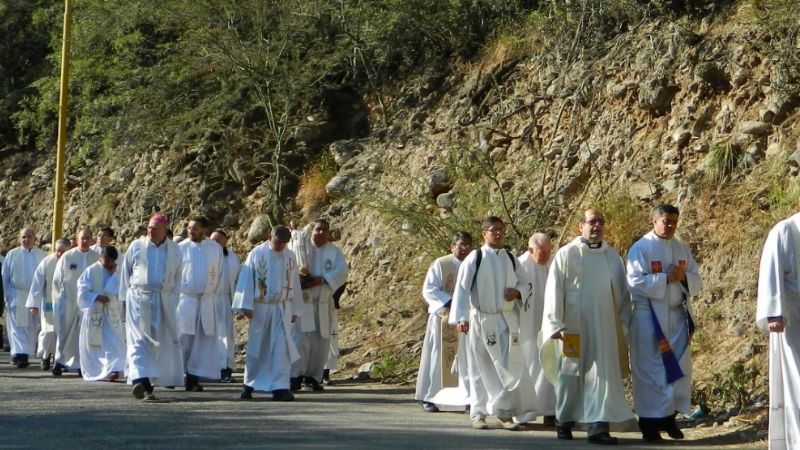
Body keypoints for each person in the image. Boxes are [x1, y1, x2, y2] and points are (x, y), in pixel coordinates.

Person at [540, 208, 635, 445]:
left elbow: (622, 295)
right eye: (592, 222)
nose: (597, 226)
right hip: (572, 328)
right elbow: (553, 290)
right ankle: (564, 419)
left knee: (601, 376)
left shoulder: (611, 256)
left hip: (604, 329)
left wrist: (623, 327)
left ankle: (598, 426)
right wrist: (555, 323)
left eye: (601, 222)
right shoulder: (566, 254)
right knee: (570, 375)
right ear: (580, 226)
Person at [627, 204, 702, 442]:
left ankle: (669, 419)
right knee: (650, 371)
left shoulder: (681, 248)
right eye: (666, 221)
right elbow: (633, 280)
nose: (670, 226)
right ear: (654, 221)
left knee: (676, 367)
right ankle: (649, 425)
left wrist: (684, 278)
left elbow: (696, 279)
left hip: (676, 316)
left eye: (673, 222)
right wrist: (664, 278)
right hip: (648, 316)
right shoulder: (641, 248)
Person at [450, 216, 529, 431]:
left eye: (501, 229)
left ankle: (504, 413)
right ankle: (478, 413)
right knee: (479, 366)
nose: (498, 233)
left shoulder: (510, 258)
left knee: (505, 365)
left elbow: (525, 281)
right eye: (493, 230)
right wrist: (461, 317)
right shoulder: (475, 258)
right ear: (484, 234)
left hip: (504, 318)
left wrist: (517, 292)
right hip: (480, 319)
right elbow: (462, 289)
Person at [234, 225, 302, 401]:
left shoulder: (290, 256)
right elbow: (247, 279)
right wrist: (245, 305)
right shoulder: (257, 253)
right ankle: (249, 384)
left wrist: (295, 309)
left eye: (284, 243)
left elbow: (295, 283)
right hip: (261, 307)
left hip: (282, 308)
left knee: (281, 348)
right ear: (269, 237)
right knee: (258, 346)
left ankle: (280, 387)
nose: (281, 246)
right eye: (278, 242)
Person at [120, 214, 184, 401]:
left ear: (165, 229)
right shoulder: (136, 246)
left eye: (155, 228)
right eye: (149, 227)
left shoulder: (174, 250)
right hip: (139, 299)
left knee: (157, 343)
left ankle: (147, 379)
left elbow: (177, 279)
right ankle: (142, 383)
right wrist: (124, 301)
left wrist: (173, 301)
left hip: (162, 300)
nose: (151, 231)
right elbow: (126, 274)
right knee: (138, 341)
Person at [415, 231, 473, 412]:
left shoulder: (474, 265)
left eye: (468, 246)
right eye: (460, 245)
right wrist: (452, 303)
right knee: (438, 358)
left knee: (466, 359)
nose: (464, 249)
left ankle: (466, 397)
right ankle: (430, 396)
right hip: (444, 318)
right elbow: (429, 289)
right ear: (452, 246)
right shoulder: (441, 264)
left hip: (466, 320)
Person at [757, 211, 800, 449]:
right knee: (797, 376)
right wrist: (774, 312)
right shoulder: (786, 230)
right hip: (793, 314)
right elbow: (771, 270)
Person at [290, 219, 348, 392]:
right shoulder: (301, 248)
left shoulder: (334, 251)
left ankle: (313, 377)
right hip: (304, 301)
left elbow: (342, 272)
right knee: (300, 340)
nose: (321, 232)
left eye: (325, 229)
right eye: (318, 229)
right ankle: (295, 375)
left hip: (323, 302)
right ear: (312, 231)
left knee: (320, 341)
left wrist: (322, 280)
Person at [176, 217, 225, 392]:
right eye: (189, 228)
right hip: (186, 299)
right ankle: (175, 373)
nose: (191, 231)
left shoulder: (215, 249)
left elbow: (219, 274)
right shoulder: (180, 249)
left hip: (205, 300)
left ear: (204, 230)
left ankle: (193, 378)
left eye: (195, 228)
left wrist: (212, 295)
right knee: (183, 339)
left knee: (201, 341)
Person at [516, 232, 557, 426]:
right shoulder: (520, 266)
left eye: (549, 252)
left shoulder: (552, 263)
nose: (547, 256)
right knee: (529, 364)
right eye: (543, 252)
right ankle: (525, 413)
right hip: (527, 326)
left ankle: (550, 410)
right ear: (531, 250)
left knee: (551, 365)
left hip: (548, 324)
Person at [52, 229, 99, 376]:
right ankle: (60, 361)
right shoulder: (68, 257)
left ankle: (81, 364)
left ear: (91, 240)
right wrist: (59, 300)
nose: (84, 241)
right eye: (82, 238)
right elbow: (57, 280)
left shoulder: (97, 257)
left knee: (83, 334)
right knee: (64, 332)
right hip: (69, 301)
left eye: (87, 238)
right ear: (76, 240)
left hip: (88, 303)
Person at [77, 246, 126, 381]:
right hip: (95, 312)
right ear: (101, 257)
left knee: (114, 342)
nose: (109, 264)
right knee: (96, 345)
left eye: (112, 261)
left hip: (111, 315)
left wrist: (114, 275)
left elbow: (121, 290)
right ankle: (99, 370)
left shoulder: (117, 272)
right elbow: (82, 291)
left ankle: (114, 369)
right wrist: (97, 297)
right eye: (107, 260)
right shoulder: (91, 271)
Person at [2, 228, 47, 368]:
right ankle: (20, 355)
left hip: (35, 294)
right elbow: (5, 276)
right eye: (23, 237)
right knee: (17, 327)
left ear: (35, 238)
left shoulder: (42, 255)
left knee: (32, 326)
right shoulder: (12, 254)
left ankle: (25, 352)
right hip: (17, 294)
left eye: (28, 237)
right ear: (19, 239)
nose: (26, 239)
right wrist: (6, 295)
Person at [27, 238, 72, 370]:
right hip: (49, 302)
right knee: (48, 331)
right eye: (58, 251)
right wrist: (34, 304)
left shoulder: (73, 260)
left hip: (68, 303)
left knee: (64, 332)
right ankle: (45, 356)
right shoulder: (47, 262)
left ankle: (60, 359)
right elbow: (37, 284)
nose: (59, 254)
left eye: (63, 251)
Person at [211, 230, 240, 383]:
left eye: (218, 240)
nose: (214, 243)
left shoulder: (233, 258)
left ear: (225, 242)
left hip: (225, 300)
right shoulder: (205, 255)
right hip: (208, 300)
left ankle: (225, 369)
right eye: (212, 240)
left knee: (226, 336)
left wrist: (239, 303)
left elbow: (237, 282)